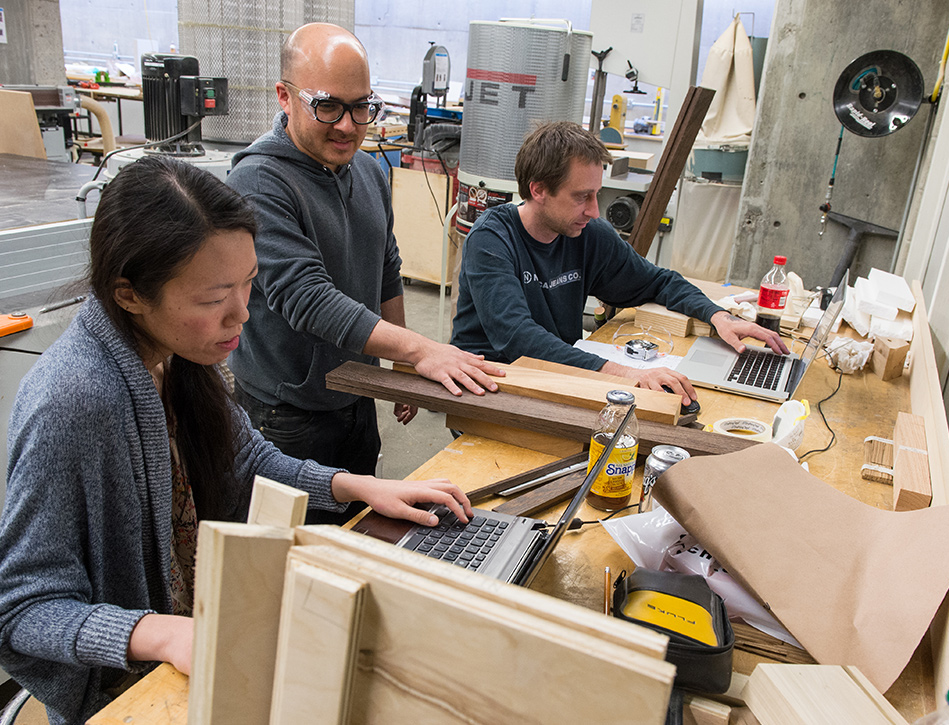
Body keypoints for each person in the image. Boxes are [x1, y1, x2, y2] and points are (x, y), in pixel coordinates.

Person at [0, 156, 473, 725]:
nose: (242, 315)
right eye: (212, 299)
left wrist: (356, 486)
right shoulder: (73, 401)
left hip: (198, 661)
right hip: (130, 698)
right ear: (129, 294)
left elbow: (246, 459)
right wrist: (160, 633)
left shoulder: (175, 357)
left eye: (249, 284)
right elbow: (21, 609)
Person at [226, 23, 499, 517]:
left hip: (355, 395)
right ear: (285, 97)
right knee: (290, 553)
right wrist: (421, 350)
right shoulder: (258, 181)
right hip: (287, 412)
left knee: (355, 531)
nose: (349, 125)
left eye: (361, 107)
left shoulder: (369, 171)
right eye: (327, 106)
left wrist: (398, 363)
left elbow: (385, 267)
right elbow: (308, 298)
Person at [450, 121, 789, 405]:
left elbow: (658, 282)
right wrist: (627, 373)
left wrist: (718, 315)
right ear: (538, 190)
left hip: (557, 376)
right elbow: (518, 337)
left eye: (596, 194)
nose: (594, 210)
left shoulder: (586, 233)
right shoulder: (492, 240)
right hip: (491, 384)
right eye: (582, 196)